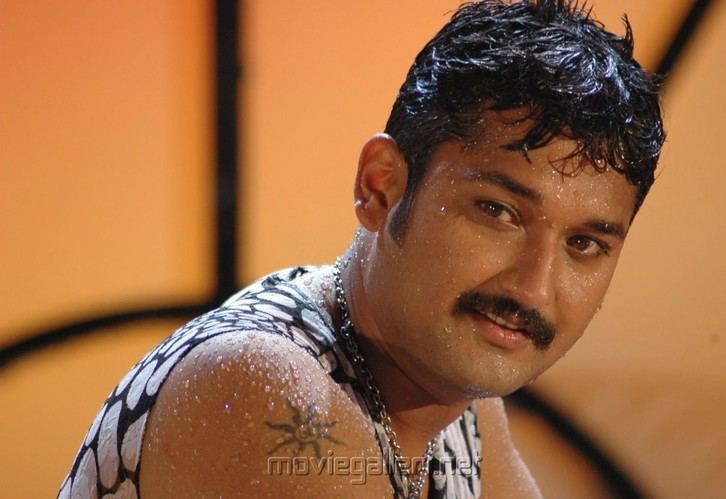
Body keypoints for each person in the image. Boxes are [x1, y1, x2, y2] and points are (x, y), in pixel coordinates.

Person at [57, 1, 664, 497]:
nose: (532, 287)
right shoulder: (262, 386)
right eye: (498, 212)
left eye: (584, 244)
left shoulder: (461, 409)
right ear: (381, 186)